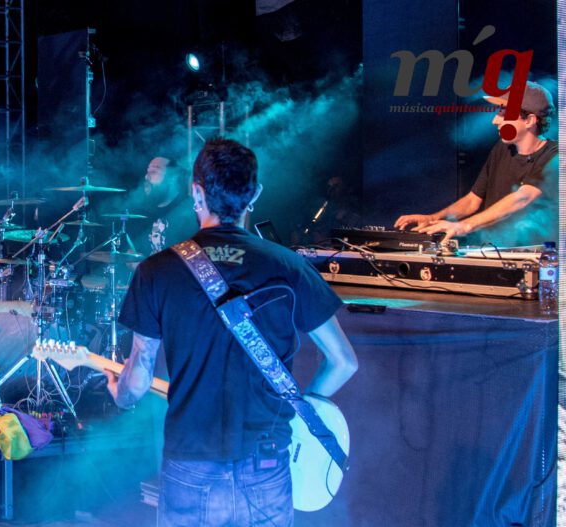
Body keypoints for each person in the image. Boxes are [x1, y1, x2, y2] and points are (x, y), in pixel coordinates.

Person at [106, 139, 358, 526]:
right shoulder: (290, 266)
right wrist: (297, 411)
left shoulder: (156, 271)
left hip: (191, 462)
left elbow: (137, 381)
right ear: (255, 194)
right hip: (267, 461)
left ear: (196, 193)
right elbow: (344, 362)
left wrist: (120, 394)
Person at [394, 81, 558, 247]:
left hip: (533, 254)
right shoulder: (503, 149)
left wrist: (464, 226)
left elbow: (522, 197)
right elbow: (472, 200)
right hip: (494, 250)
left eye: (503, 113)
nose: (495, 120)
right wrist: (432, 218)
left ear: (529, 120)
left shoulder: (555, 156)